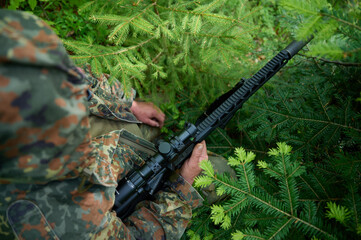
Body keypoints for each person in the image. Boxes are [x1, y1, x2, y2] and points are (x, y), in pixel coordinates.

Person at [0, 9, 207, 239]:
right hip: (107, 196)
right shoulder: (53, 213)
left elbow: (77, 79)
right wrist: (182, 187)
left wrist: (129, 104)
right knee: (215, 174)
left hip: (112, 150)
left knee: (159, 117)